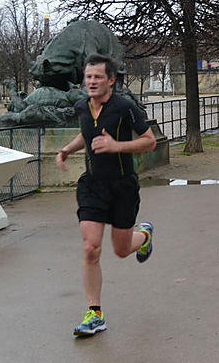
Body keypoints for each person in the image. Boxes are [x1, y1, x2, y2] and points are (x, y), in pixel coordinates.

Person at [55, 53, 157, 337]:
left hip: (123, 186)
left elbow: (149, 142)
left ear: (111, 80)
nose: (92, 81)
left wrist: (116, 146)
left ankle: (145, 236)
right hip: (92, 186)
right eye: (88, 77)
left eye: (98, 77)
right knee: (91, 248)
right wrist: (66, 149)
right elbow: (86, 136)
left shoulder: (124, 107)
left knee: (121, 250)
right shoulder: (82, 107)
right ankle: (94, 313)